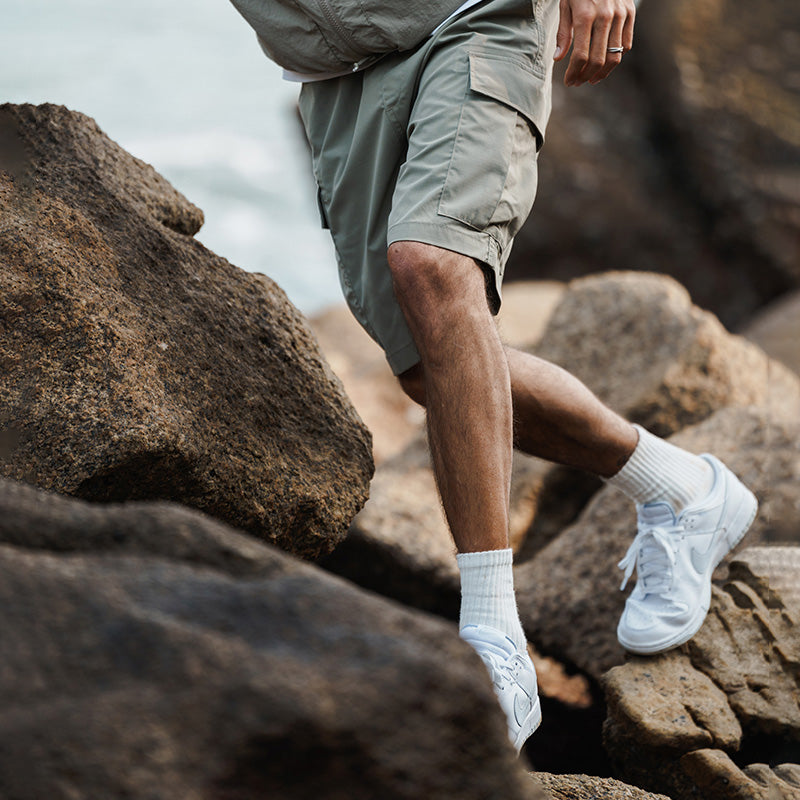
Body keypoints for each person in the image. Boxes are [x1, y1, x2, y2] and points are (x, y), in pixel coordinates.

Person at [228, 0, 758, 754]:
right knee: (428, 369)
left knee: (432, 262)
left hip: (478, 13)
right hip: (338, 68)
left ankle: (490, 632)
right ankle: (680, 490)